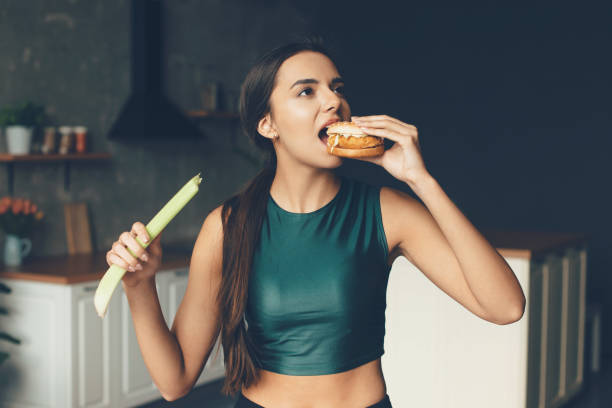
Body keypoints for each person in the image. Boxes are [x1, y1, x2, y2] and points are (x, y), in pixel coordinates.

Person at [105, 38, 526, 408]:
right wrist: (139, 286)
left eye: (337, 89)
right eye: (307, 91)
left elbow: (505, 307)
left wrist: (421, 180)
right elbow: (175, 383)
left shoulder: (386, 211)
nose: (333, 101)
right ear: (268, 124)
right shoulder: (227, 226)